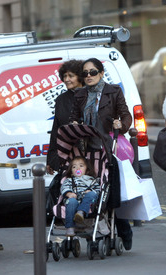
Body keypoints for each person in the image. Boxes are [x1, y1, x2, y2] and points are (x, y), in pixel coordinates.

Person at [69, 58, 133, 250]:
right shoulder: (80, 94)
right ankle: (94, 233)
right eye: (85, 73)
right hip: (86, 151)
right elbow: (74, 117)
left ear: (102, 73)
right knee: (89, 191)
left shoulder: (113, 91)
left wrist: (121, 124)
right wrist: (74, 125)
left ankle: (123, 232)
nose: (89, 76)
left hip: (107, 148)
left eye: (93, 72)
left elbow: (125, 114)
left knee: (111, 194)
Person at [46, 59, 84, 174]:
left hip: (91, 153)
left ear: (80, 77)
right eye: (65, 76)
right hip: (69, 155)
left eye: (71, 76)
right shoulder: (61, 100)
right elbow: (56, 129)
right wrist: (51, 159)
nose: (66, 79)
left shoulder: (92, 95)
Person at [61, 156, 100, 236]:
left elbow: (97, 190)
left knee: (92, 194)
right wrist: (69, 194)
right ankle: (70, 228)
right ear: (71, 171)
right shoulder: (69, 180)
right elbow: (64, 188)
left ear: (87, 170)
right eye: (74, 167)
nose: (77, 168)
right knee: (71, 201)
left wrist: (90, 191)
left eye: (81, 166)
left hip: (86, 201)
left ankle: (81, 212)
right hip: (73, 200)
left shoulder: (91, 180)